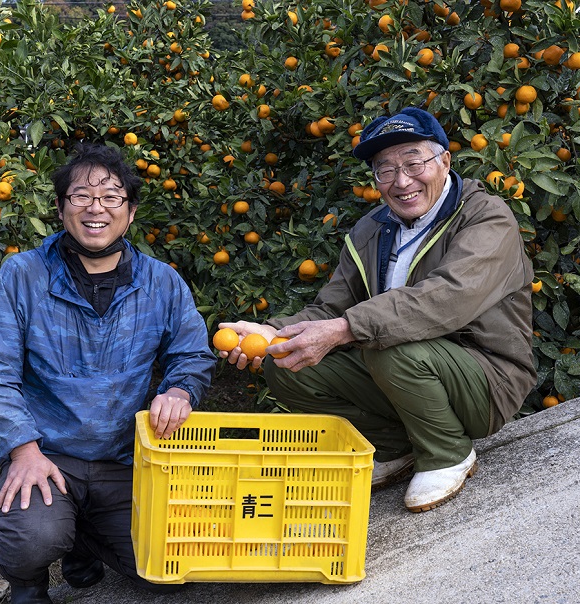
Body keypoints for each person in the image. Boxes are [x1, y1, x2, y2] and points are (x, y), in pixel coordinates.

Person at [220, 107, 536, 513]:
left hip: (488, 380)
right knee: (286, 361)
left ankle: (447, 452)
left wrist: (348, 329)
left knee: (384, 341)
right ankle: (396, 447)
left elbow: (447, 297)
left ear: (444, 161)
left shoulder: (485, 216)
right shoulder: (371, 229)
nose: (401, 181)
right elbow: (331, 307)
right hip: (405, 368)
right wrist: (270, 331)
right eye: (385, 170)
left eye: (413, 162)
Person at [0, 143, 216, 602]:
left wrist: (180, 391)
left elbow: (193, 354)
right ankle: (28, 582)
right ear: (61, 209)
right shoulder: (24, 274)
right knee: (34, 538)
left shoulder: (161, 281)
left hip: (126, 459)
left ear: (130, 211)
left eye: (111, 196)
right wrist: (22, 448)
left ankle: (85, 537)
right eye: (81, 196)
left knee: (175, 566)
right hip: (48, 454)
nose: (95, 207)